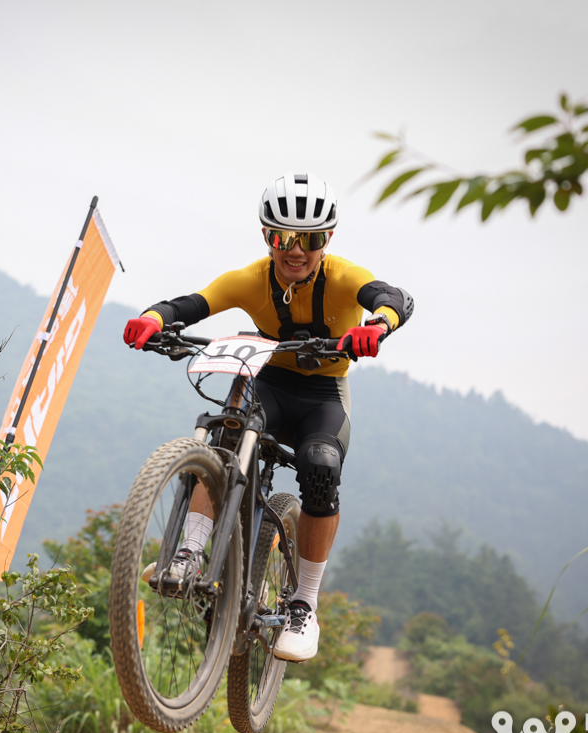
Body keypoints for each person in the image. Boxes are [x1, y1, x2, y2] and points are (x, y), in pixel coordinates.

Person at [123, 172, 413, 662]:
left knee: (320, 468)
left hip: (323, 395)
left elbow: (393, 298)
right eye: (283, 238)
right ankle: (190, 550)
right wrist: (152, 319)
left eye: (311, 240)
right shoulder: (251, 279)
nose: (295, 251)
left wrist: (377, 326)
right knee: (225, 437)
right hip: (268, 382)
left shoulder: (343, 277)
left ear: (328, 241)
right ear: (265, 236)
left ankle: (303, 604)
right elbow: (191, 304)